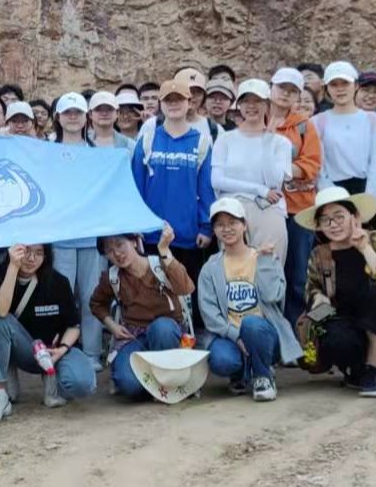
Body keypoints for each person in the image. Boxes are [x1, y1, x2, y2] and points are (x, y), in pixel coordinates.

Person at [296, 186, 376, 397]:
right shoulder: (320, 254)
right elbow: (312, 287)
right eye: (325, 220)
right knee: (335, 338)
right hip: (344, 319)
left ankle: (372, 370)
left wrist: (365, 249)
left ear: (355, 216)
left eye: (339, 216)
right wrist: (317, 297)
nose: (333, 224)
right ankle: (355, 370)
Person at [0, 244, 95, 424]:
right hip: (23, 349)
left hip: (54, 352)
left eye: (39, 253)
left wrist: (62, 349)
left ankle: (54, 385)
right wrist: (13, 267)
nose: (31, 259)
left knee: (82, 383)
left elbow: (73, 326)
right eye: (26, 252)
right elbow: (1, 311)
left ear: (47, 255)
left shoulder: (58, 282)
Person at [196, 200, 298, 401]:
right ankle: (243, 372)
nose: (227, 229)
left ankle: (263, 377)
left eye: (232, 222)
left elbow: (273, 297)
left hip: (264, 334)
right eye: (220, 225)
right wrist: (236, 336)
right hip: (230, 337)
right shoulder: (210, 268)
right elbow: (210, 314)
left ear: (244, 225)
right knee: (221, 360)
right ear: (214, 230)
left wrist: (265, 262)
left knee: (251, 324)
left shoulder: (265, 257)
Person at [131, 81, 215, 310]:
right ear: (161, 104)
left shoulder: (201, 141)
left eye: (179, 99)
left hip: (188, 235)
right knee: (153, 297)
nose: (174, 104)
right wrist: (136, 225)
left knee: (185, 298)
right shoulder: (148, 139)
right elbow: (136, 185)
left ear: (189, 103)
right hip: (151, 234)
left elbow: (206, 188)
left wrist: (206, 227)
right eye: (168, 100)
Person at [89, 225, 192, 400]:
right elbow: (96, 303)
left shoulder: (159, 263)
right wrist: (112, 326)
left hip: (166, 334)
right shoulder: (112, 277)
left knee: (162, 328)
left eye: (120, 245)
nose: (117, 254)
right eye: (109, 251)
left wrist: (164, 249)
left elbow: (185, 287)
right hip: (133, 335)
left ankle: (165, 380)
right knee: (129, 385)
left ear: (135, 242)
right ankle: (163, 383)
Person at [51, 92, 108, 372]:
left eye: (78, 112)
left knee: (90, 297)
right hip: (59, 238)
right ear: (58, 117)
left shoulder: (99, 154)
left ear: (86, 117)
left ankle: (92, 352)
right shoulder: (46, 152)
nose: (73, 117)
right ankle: (60, 349)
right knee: (61, 298)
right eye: (67, 113)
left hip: (90, 237)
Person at [210, 79, 293, 260]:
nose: (251, 106)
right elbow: (217, 180)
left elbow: (274, 182)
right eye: (246, 101)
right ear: (239, 105)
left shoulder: (280, 143)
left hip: (267, 209)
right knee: (233, 268)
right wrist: (259, 189)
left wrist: (268, 141)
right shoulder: (225, 139)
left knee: (269, 267)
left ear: (267, 105)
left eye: (257, 101)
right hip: (232, 210)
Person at [268, 67, 323, 323]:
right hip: (265, 208)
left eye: (292, 91)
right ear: (271, 87)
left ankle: (295, 328)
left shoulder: (304, 125)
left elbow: (311, 164)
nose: (285, 94)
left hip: (297, 209)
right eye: (282, 88)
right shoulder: (256, 119)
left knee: (298, 273)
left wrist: (280, 169)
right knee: (267, 268)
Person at [314, 63, 376, 201]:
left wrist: (369, 198)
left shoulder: (373, 120)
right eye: (334, 84)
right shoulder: (317, 122)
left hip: (366, 189)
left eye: (345, 83)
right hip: (333, 191)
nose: (340, 89)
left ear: (356, 85)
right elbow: (319, 166)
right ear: (327, 89)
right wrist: (331, 194)